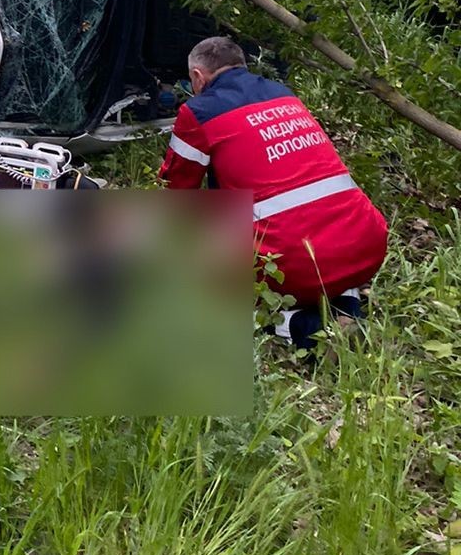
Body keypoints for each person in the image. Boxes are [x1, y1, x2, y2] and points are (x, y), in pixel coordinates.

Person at [159, 35, 388, 347]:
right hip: (364, 243)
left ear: (198, 77)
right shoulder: (283, 94)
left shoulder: (198, 112)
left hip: (292, 262)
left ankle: (309, 328)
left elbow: (175, 193)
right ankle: (348, 308)